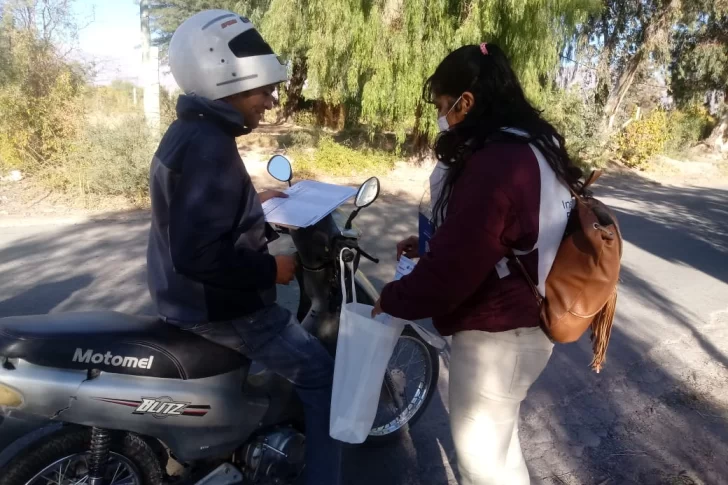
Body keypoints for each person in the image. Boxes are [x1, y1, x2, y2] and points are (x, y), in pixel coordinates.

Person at [373, 43, 583, 485]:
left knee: (482, 468)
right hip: (529, 324)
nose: (441, 116)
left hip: (498, 338)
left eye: (442, 106)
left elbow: (453, 274)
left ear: (466, 101)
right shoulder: (535, 144)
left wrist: (392, 299)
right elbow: (506, 234)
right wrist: (437, 243)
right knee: (501, 453)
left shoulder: (495, 164)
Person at [146, 10, 341, 485]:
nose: (271, 100)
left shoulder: (189, 132)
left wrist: (252, 200)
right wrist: (270, 271)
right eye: (263, 89)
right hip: (226, 308)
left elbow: (193, 214)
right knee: (322, 376)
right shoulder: (210, 145)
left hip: (180, 298)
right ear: (225, 77)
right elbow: (198, 253)